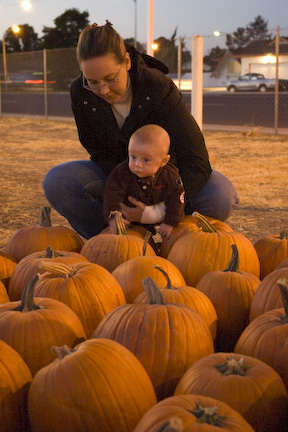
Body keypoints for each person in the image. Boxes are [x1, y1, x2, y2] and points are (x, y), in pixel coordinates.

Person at [42, 20, 239, 240]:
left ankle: (176, 245)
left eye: (110, 78)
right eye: (92, 82)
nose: (103, 90)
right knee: (58, 182)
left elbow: (197, 161)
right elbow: (98, 153)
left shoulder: (157, 87)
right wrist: (124, 194)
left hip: (167, 177)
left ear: (126, 61)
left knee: (220, 195)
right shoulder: (81, 94)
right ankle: (111, 242)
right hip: (121, 175)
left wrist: (157, 210)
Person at [103, 124, 185, 239]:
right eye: (133, 157)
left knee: (175, 235)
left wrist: (170, 222)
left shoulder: (170, 176)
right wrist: (113, 217)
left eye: (146, 160)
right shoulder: (121, 172)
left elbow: (177, 200)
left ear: (163, 161)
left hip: (161, 215)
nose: (138, 164)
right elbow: (112, 195)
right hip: (130, 219)